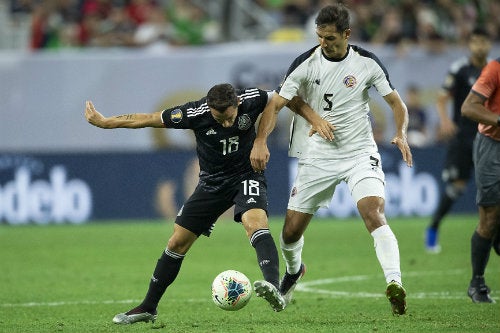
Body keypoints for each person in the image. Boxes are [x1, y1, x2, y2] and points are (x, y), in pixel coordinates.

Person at [250, 3, 412, 316]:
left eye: (331, 38)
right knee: (290, 233)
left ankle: (395, 283)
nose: (324, 43)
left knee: (373, 212)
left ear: (347, 35)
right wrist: (261, 140)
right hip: (318, 157)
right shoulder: (306, 63)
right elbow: (276, 103)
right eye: (320, 37)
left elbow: (396, 103)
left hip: (359, 153)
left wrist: (401, 133)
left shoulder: (366, 63)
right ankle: (294, 271)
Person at [85, 83, 292, 324]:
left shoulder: (252, 98)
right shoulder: (195, 112)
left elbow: (280, 98)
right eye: (219, 119)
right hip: (211, 184)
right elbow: (149, 118)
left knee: (254, 222)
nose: (225, 124)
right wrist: (107, 122)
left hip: (247, 175)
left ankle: (274, 286)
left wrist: (261, 140)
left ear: (237, 103)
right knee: (177, 242)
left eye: (229, 118)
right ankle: (148, 307)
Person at [425, 27, 492, 253]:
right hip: (463, 137)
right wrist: (445, 121)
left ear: (489, 45)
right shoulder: (460, 69)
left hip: (490, 137)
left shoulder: (494, 69)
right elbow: (442, 97)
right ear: (470, 44)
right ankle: (433, 227)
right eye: (476, 42)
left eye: (483, 42)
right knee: (457, 186)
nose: (480, 46)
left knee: (495, 188)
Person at [461, 57, 500, 304]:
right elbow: (469, 107)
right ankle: (477, 282)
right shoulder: (495, 69)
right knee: (490, 217)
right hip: (493, 146)